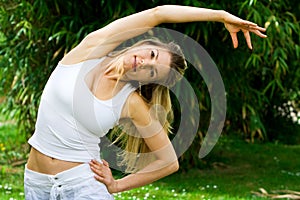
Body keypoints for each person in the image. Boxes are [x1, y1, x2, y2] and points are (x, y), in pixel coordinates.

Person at [24, 5, 267, 199]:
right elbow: (157, 13)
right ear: (146, 44)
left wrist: (117, 185)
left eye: (152, 72)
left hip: (83, 186)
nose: (144, 63)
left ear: (147, 82)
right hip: (35, 183)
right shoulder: (88, 50)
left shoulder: (130, 102)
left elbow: (169, 162)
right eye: (152, 55)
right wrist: (219, 15)